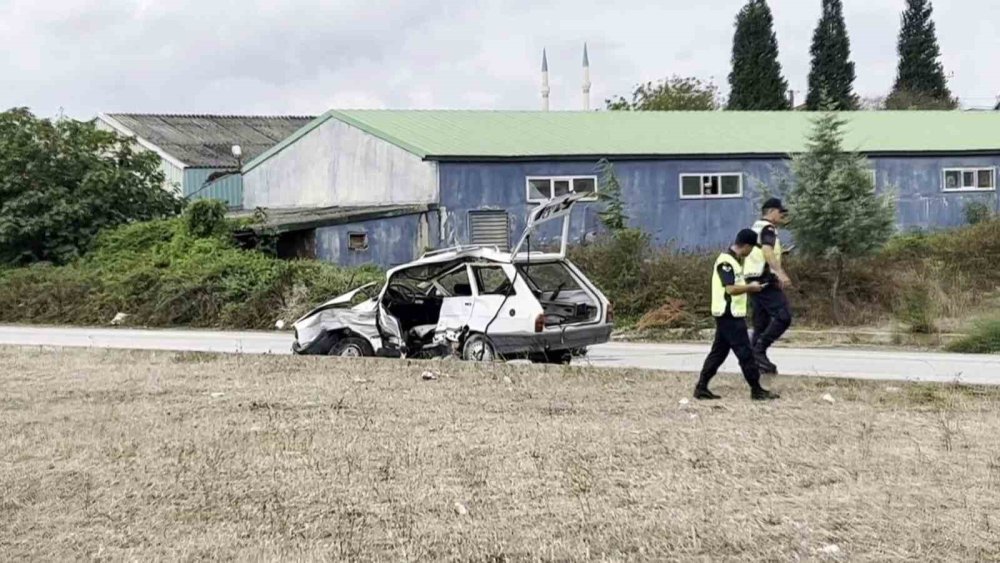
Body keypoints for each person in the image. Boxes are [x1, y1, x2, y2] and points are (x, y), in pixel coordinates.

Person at [694, 229, 780, 401]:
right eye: (751, 248)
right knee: (745, 354)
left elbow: (737, 285)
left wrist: (761, 283)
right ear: (746, 246)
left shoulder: (733, 262)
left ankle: (701, 387)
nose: (751, 253)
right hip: (729, 315)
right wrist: (751, 288)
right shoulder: (726, 262)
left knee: (718, 353)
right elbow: (731, 289)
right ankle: (757, 390)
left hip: (728, 315)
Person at [744, 198, 792, 376]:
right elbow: (766, 250)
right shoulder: (768, 228)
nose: (782, 216)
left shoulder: (754, 227)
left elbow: (757, 251)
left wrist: (781, 254)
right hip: (764, 279)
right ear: (771, 211)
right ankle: (759, 350)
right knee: (783, 316)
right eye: (781, 212)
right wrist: (779, 272)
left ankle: (756, 362)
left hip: (752, 279)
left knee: (761, 323)